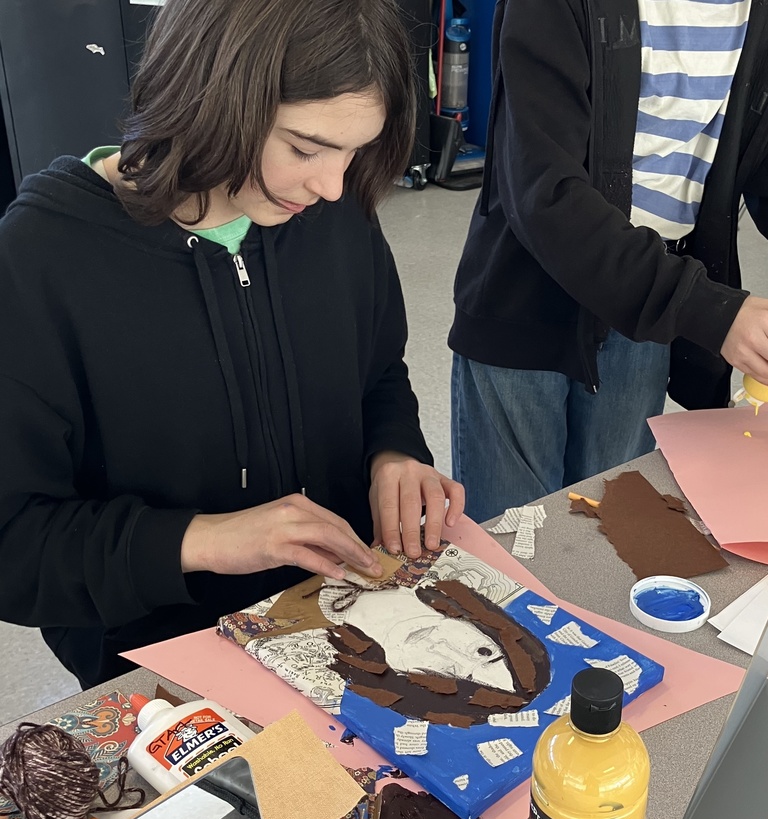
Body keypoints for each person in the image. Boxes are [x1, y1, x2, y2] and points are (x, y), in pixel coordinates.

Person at [0, 0, 463, 689]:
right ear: (209, 95)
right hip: (165, 674)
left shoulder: (330, 212)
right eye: (305, 148)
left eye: (354, 151)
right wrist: (207, 539)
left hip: (348, 631)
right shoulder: (41, 258)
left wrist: (395, 450)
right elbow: (16, 547)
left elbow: (376, 374)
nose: (332, 185)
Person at [448, 0, 768, 523]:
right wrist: (710, 310)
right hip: (524, 303)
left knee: (610, 530)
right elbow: (544, 192)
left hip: (644, 317)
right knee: (506, 548)